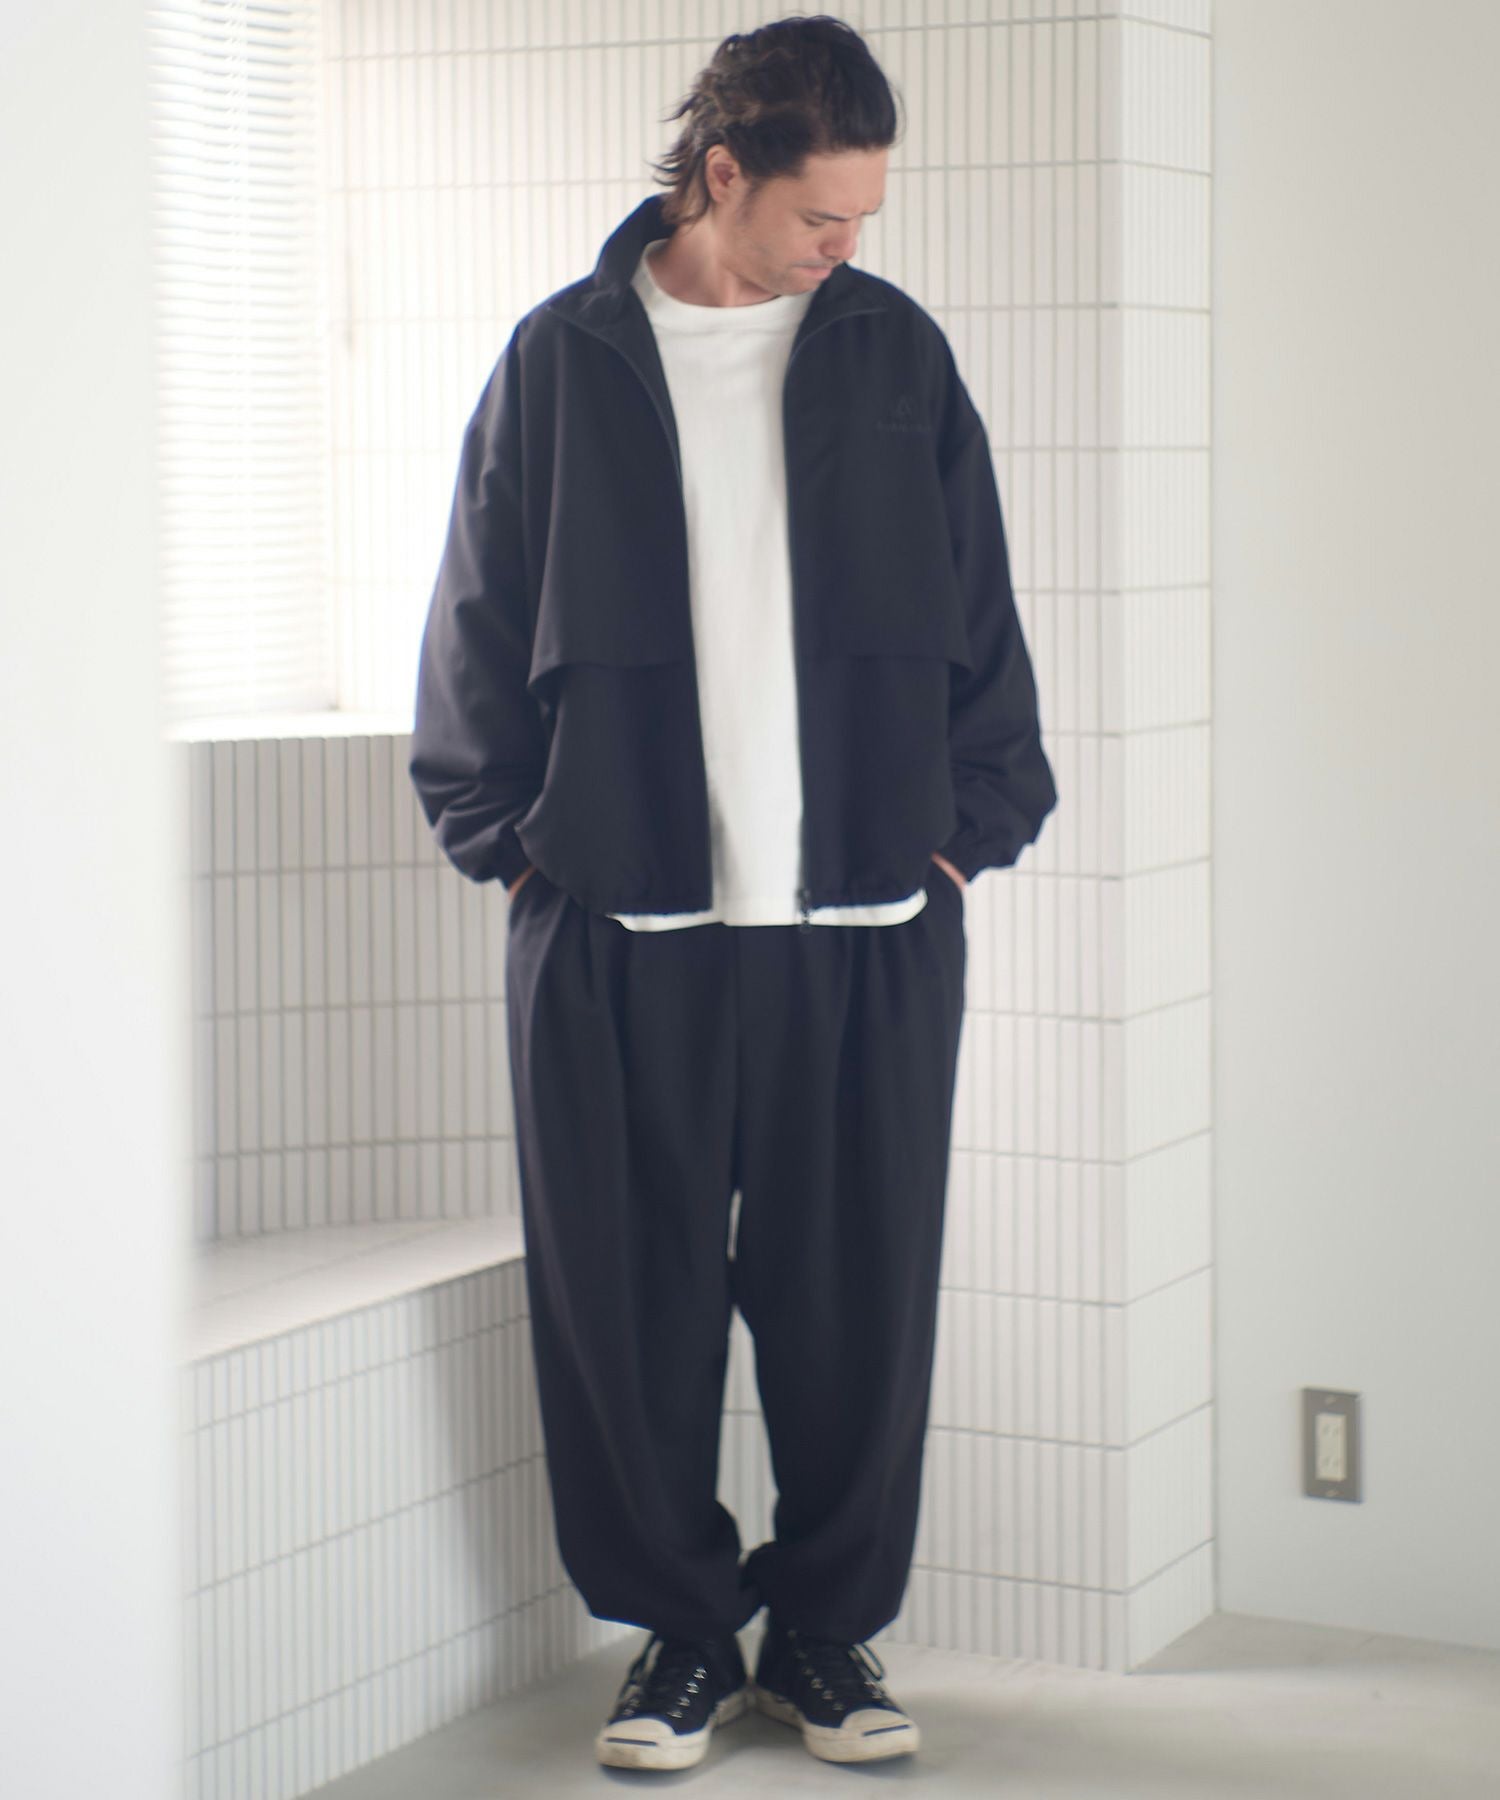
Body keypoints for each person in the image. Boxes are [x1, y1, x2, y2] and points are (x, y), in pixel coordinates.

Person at [408, 14, 1056, 1775]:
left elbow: (983, 612)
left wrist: (966, 830)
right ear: (720, 175)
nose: (846, 246)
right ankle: (682, 1641)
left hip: (864, 924)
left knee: (857, 1305)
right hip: (624, 927)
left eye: (863, 218)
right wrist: (511, 840)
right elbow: (475, 611)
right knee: (627, 1314)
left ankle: (824, 1637)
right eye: (819, 216)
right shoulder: (565, 358)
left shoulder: (895, 354)